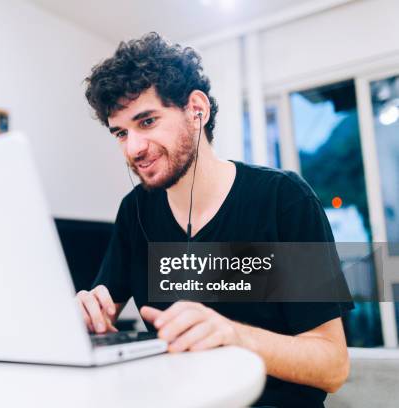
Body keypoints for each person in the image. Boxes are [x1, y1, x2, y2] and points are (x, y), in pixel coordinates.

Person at [77, 32, 353, 407]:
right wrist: (87, 312)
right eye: (121, 133)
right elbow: (104, 303)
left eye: (146, 122)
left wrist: (234, 336)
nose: (133, 148)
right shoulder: (135, 210)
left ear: (196, 109)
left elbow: (333, 366)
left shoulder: (282, 199)